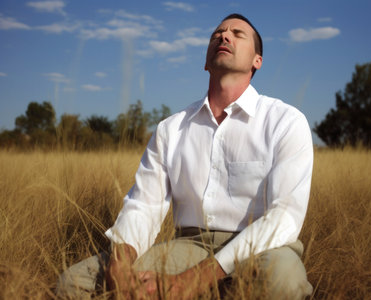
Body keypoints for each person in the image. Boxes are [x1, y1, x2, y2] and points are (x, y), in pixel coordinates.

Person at [57, 13, 314, 299]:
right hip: (189, 247)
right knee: (75, 282)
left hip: (263, 248)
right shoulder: (171, 128)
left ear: (257, 61)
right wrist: (121, 264)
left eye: (237, 34)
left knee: (283, 279)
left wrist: (192, 280)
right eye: (218, 33)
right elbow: (143, 206)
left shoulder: (285, 121)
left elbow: (284, 217)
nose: (224, 36)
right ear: (205, 62)